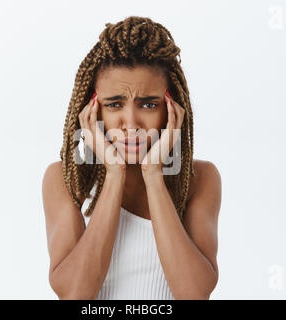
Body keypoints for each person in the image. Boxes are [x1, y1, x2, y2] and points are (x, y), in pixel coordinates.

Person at [42, 16, 221, 300]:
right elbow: (75, 295)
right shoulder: (65, 181)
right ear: (93, 110)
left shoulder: (200, 179)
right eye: (114, 105)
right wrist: (114, 174)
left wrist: (153, 174)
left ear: (171, 109)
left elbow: (194, 294)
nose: (131, 123)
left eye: (149, 104)